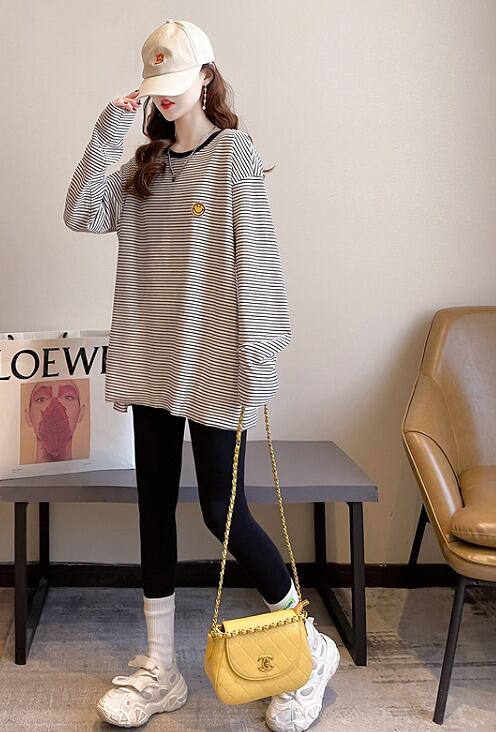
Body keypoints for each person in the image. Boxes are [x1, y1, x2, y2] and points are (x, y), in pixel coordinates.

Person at [63, 18, 340, 732]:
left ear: (207, 78)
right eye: (155, 86)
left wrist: (261, 356)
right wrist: (108, 130)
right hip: (150, 356)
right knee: (153, 508)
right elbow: (80, 214)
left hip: (214, 359)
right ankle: (163, 669)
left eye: (177, 83)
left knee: (223, 511)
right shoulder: (141, 169)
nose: (164, 97)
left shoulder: (235, 156)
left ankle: (309, 647)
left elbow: (261, 256)